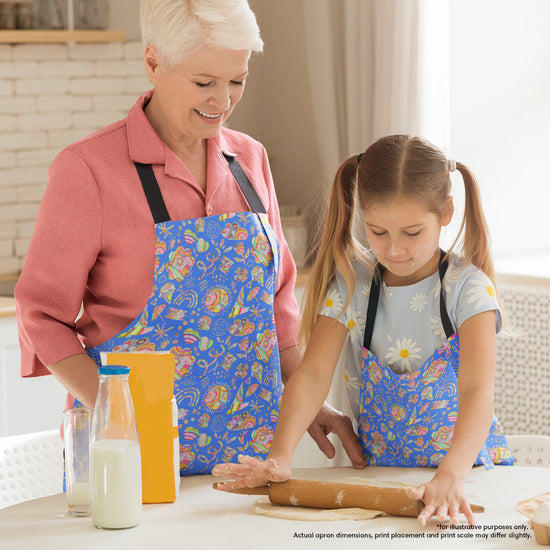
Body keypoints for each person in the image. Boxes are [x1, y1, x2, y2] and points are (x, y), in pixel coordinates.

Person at [15, 0, 361, 475]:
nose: (223, 100)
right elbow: (41, 314)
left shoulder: (250, 160)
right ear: (154, 62)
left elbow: (277, 304)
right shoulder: (88, 170)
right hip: (130, 456)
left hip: (251, 460)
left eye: (237, 80)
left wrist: (307, 402)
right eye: (204, 83)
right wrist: (114, 409)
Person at [213, 134, 514, 523]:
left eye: (412, 232)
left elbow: (478, 391)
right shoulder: (354, 284)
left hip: (466, 482)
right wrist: (280, 455)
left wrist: (451, 474)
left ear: (446, 212)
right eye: (377, 231)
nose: (394, 249)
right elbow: (312, 375)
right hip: (384, 483)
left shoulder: (468, 290)